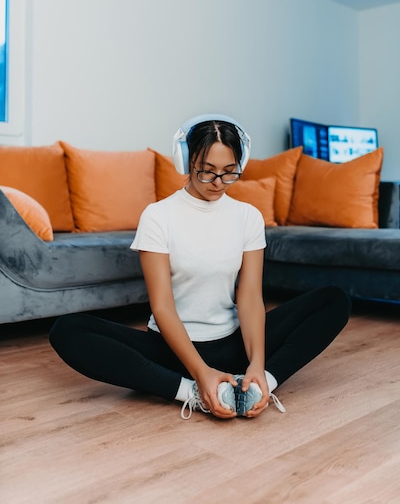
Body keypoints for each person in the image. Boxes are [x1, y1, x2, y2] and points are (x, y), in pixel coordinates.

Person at [49, 114, 351, 420]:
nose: (218, 183)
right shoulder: (158, 216)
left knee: (333, 300)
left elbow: (249, 298)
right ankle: (191, 391)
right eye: (207, 172)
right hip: (171, 350)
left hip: (232, 343)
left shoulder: (247, 217)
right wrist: (200, 373)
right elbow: (163, 306)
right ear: (186, 161)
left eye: (229, 172)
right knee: (68, 330)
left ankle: (259, 385)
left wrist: (257, 365)